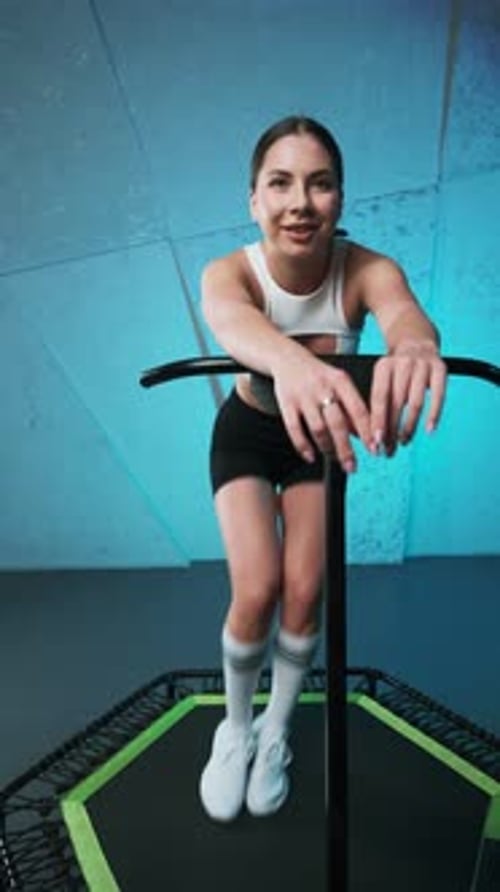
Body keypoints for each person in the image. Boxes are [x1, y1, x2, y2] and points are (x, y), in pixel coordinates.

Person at [198, 115, 447, 822]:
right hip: (248, 434)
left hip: (319, 444)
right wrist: (291, 361)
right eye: (280, 183)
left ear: (340, 198)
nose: (299, 202)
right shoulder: (230, 271)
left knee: (305, 591)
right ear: (254, 199)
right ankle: (236, 728)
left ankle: (275, 730)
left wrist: (417, 346)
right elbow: (230, 320)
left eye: (320, 183)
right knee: (259, 586)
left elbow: (403, 316)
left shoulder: (365, 268)